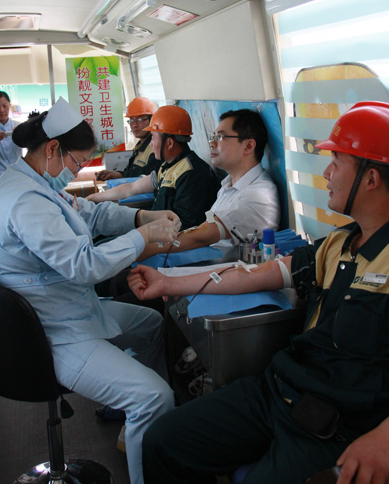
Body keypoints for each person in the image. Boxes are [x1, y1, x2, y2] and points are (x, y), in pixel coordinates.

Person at [128, 101, 389, 484]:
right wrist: (167, 283)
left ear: (371, 179)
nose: (326, 173)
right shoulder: (338, 244)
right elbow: (256, 274)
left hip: (335, 424)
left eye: (336, 162)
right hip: (279, 391)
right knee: (162, 440)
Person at [0, 97, 181, 484]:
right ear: (53, 149)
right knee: (154, 396)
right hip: (52, 333)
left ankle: (136, 424)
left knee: (150, 325)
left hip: (67, 308)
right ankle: (143, 422)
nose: (76, 171)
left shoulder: (32, 181)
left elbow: (88, 213)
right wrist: (143, 237)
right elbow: (83, 266)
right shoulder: (25, 201)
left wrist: (141, 216)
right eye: (77, 162)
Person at [134, 108, 280, 262]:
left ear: (248, 146)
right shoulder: (228, 186)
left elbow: (199, 237)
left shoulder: (257, 195)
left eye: (220, 137)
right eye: (213, 136)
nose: (212, 142)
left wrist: (135, 251)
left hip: (219, 271)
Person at [88, 105, 221, 231]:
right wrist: (93, 198)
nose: (151, 144)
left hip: (169, 241)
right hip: (156, 232)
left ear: (169, 143)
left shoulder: (192, 174)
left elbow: (183, 227)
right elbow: (132, 187)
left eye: (153, 137)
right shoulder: (166, 166)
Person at [96, 96, 160, 181]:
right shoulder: (138, 147)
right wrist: (114, 174)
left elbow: (145, 182)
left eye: (140, 119)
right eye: (131, 120)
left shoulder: (154, 150)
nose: (134, 125)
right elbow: (130, 174)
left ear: (152, 120)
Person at [0, 90, 22, 199]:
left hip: (17, 179)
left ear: (9, 105)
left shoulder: (19, 127)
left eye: (4, 106)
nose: (2, 110)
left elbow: (30, 148)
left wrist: (21, 135)